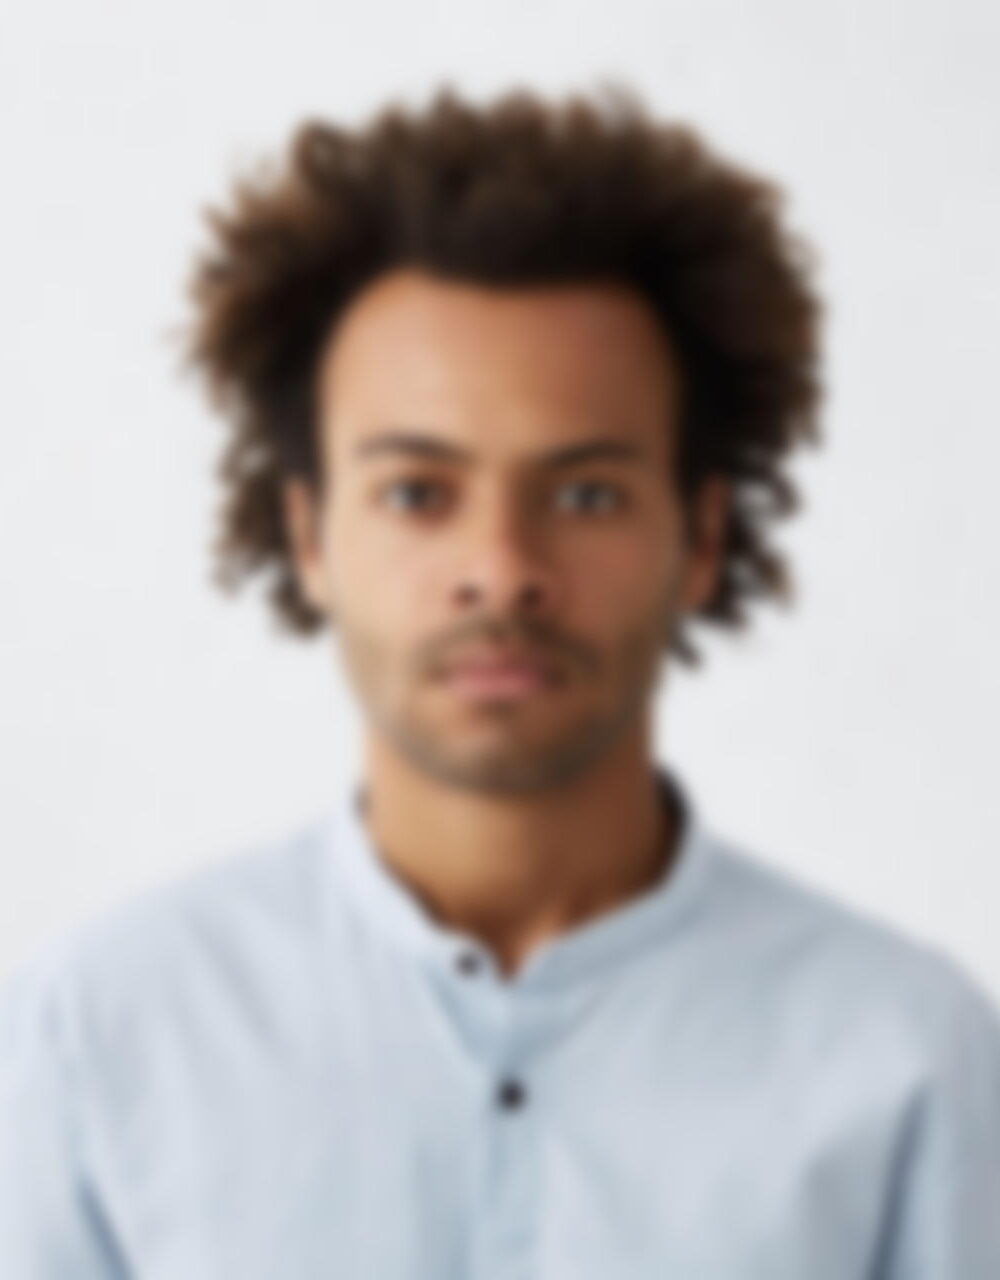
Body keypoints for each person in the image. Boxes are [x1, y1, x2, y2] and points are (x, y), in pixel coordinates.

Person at [1, 82, 998, 1279]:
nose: (503, 568)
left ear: (700, 536)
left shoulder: (905, 1052)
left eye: (585, 493)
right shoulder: (98, 1035)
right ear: (309, 535)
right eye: (418, 493)